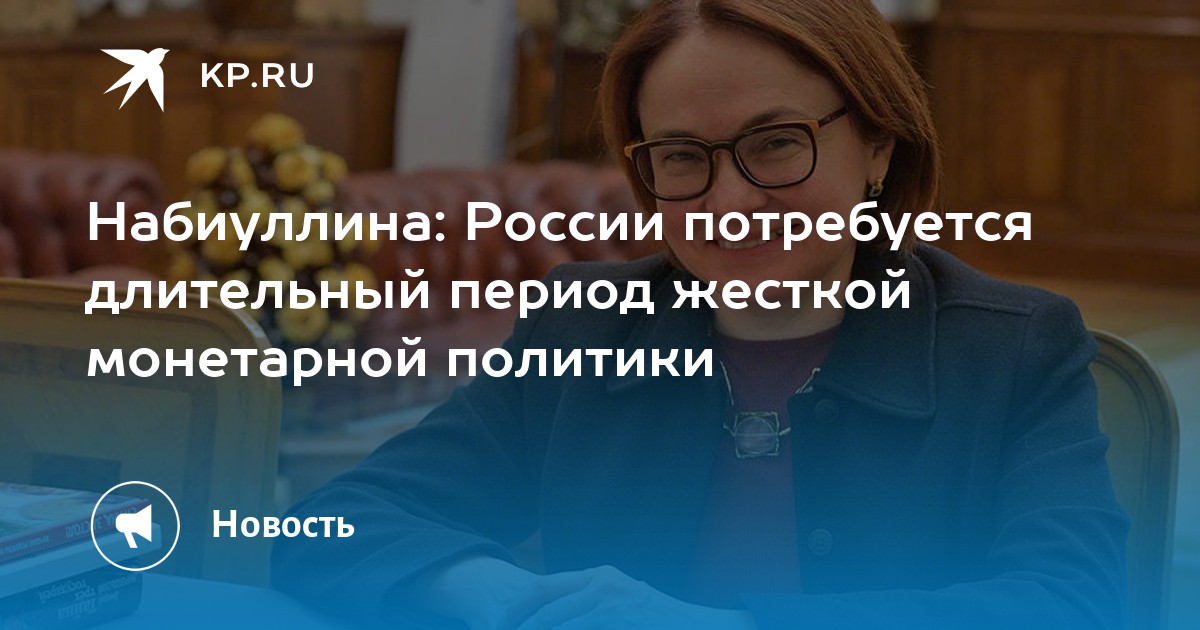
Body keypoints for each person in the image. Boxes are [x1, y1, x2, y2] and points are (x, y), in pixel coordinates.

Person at [272, 1, 1129, 628]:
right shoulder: (584, 328)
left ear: (878, 142)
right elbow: (328, 526)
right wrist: (499, 596)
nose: (730, 203)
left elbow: (1073, 605)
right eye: (683, 157)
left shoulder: (1013, 347)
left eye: (776, 144)